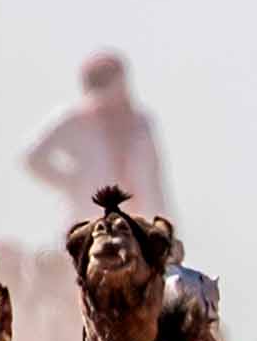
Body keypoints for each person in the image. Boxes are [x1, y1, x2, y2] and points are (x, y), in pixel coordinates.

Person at [22, 51, 171, 228]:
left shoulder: (141, 122)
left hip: (138, 220)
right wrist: (71, 182)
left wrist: (164, 219)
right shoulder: (74, 119)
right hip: (89, 219)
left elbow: (155, 174)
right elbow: (32, 158)